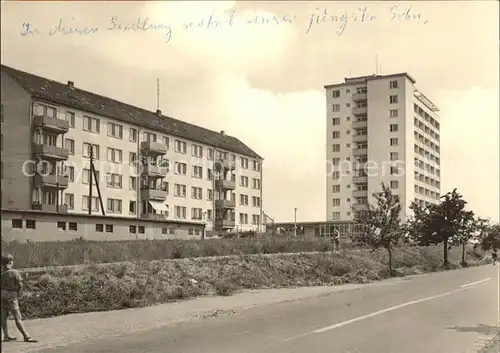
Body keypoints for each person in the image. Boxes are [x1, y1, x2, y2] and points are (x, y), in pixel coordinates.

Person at [1, 253, 37, 343]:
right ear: (10, 262)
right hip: (11, 296)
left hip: (2, 295)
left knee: (3, 317)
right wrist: (17, 292)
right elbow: (20, 285)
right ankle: (26, 336)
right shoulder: (14, 272)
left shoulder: (1, 274)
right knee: (18, 317)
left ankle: (6, 336)